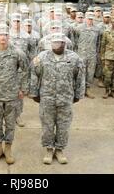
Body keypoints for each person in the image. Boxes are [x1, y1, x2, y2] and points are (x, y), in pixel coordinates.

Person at [30, 33, 85, 165]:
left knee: (63, 125)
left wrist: (78, 94)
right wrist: (34, 93)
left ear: (64, 44)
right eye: (54, 43)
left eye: (59, 43)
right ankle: (49, 149)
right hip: (46, 97)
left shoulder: (74, 58)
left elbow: (80, 77)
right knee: (47, 125)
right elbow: (34, 74)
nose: (56, 45)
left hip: (65, 98)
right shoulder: (41, 57)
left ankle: (59, 149)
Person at [0, 24, 28, 165]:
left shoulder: (17, 52)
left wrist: (22, 88)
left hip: (11, 95)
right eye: (0, 34)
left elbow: (25, 70)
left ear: (9, 36)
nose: (3, 37)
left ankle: (8, 149)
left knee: (10, 124)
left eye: (6, 34)